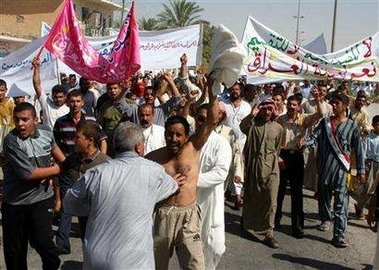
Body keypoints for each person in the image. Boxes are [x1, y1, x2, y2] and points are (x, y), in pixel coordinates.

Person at [63, 122, 181, 270]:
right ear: (139, 146)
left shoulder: (95, 174)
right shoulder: (154, 172)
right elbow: (172, 186)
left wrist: (92, 206)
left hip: (96, 259)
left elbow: (69, 203)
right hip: (134, 262)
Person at [146, 78, 219, 270]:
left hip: (189, 219)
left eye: (179, 134)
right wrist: (165, 184)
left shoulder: (193, 148)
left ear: (187, 136)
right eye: (170, 134)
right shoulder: (153, 158)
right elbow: (140, 186)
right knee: (157, 265)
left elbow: (212, 120)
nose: (173, 138)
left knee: (195, 265)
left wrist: (212, 90)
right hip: (162, 218)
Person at [2, 102, 65, 270]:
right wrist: (57, 169)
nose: (20, 124)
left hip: (41, 200)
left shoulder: (46, 132)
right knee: (15, 253)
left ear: (35, 119)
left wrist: (64, 166)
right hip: (15, 204)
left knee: (45, 245)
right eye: (17, 120)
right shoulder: (11, 141)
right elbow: (29, 174)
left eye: (25, 119)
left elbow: (58, 154)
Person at [306, 92, 365, 248]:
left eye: (337, 103)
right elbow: (314, 137)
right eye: (332, 103)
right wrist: (304, 142)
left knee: (342, 203)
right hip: (325, 168)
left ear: (345, 106)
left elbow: (358, 150)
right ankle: (325, 219)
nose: (333, 106)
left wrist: (361, 170)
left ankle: (339, 234)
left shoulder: (352, 126)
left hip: (341, 171)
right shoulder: (325, 123)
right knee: (324, 196)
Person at [55, 120, 110, 254]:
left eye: (78, 137)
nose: (74, 140)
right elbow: (60, 176)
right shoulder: (72, 160)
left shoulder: (106, 164)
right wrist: (58, 199)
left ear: (90, 140)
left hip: (98, 217)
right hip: (81, 213)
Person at [275, 92, 322, 239]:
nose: (291, 107)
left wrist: (319, 99)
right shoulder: (279, 119)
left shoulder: (304, 119)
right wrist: (277, 157)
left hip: (296, 157)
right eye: (289, 104)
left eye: (294, 105)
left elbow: (320, 114)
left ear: (298, 107)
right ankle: (274, 221)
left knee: (297, 194)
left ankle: (297, 227)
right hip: (282, 156)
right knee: (279, 191)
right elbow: (274, 140)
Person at [240, 99, 283, 248]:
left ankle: (268, 233)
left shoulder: (278, 128)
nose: (267, 112)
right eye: (264, 109)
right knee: (252, 195)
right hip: (254, 167)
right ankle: (247, 221)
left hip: (271, 168)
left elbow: (277, 149)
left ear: (274, 111)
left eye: (270, 110)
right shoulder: (252, 125)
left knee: (271, 200)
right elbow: (242, 127)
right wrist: (251, 115)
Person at [195, 103, 232, 269]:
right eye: (200, 119)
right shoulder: (189, 142)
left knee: (215, 248)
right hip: (190, 201)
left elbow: (220, 173)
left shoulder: (221, 144)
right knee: (191, 250)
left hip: (211, 202)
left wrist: (191, 179)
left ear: (215, 122)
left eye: (207, 120)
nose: (203, 123)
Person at [53, 89, 107, 156]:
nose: (75, 104)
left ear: (82, 103)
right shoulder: (60, 122)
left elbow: (102, 140)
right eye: (72, 101)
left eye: (78, 101)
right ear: (67, 103)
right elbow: (55, 145)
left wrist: (102, 158)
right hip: (69, 161)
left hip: (88, 161)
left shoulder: (91, 120)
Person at [32, 57, 70, 131]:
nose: (58, 99)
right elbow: (37, 84)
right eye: (55, 97)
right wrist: (36, 68)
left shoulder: (68, 110)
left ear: (65, 97)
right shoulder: (46, 104)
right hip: (47, 139)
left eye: (60, 97)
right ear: (52, 96)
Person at [0, 79, 15, 153]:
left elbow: (13, 125)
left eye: (2, 90)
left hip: (7, 138)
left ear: (6, 90)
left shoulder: (11, 105)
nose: (0, 93)